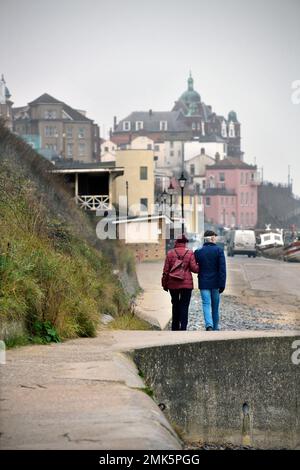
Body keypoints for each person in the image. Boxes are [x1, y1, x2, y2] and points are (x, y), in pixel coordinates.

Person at [162, 234, 199, 331]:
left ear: (176, 242)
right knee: (184, 305)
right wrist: (201, 266)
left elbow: (166, 271)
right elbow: (194, 269)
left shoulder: (170, 253)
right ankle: (183, 327)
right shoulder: (190, 253)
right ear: (185, 243)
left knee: (175, 304)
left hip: (173, 284)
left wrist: (164, 284)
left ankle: (175, 327)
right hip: (186, 285)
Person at [194, 230, 226, 331]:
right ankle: (215, 327)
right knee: (215, 306)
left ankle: (209, 325)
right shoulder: (219, 251)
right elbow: (222, 269)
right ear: (211, 238)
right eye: (215, 237)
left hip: (203, 282)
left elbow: (195, 266)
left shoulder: (198, 252)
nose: (216, 239)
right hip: (216, 283)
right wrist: (222, 284)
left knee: (206, 303)